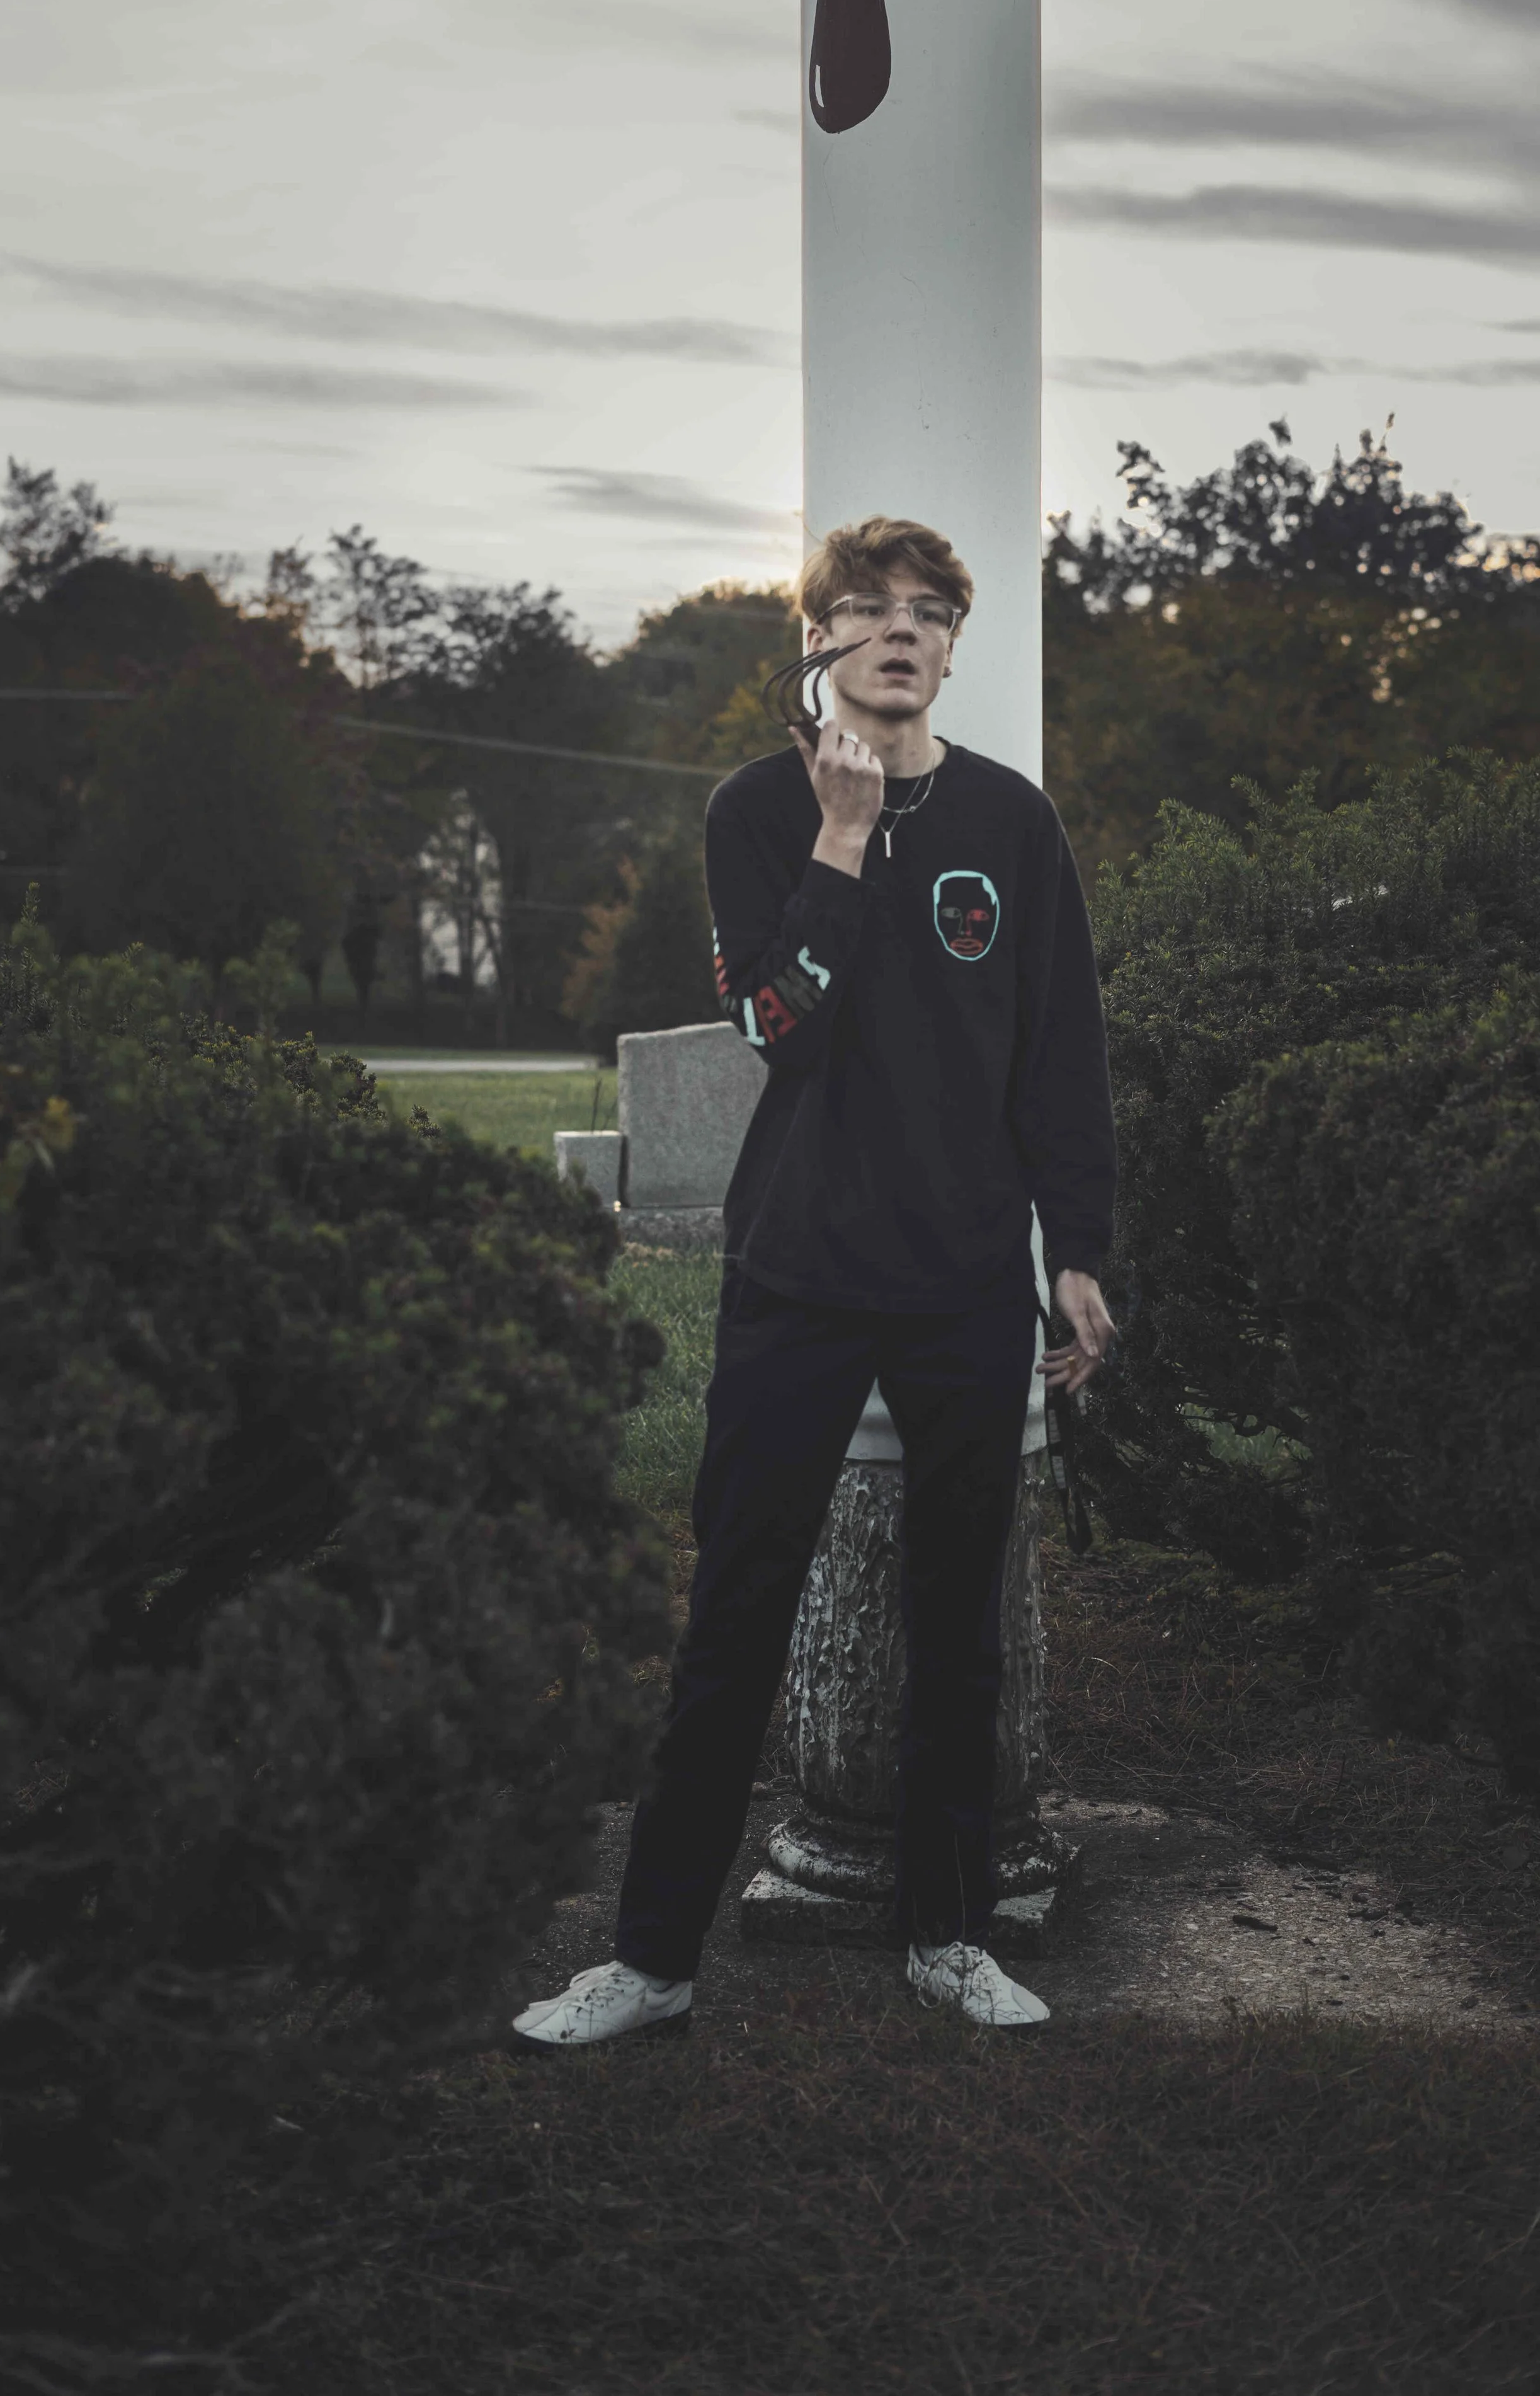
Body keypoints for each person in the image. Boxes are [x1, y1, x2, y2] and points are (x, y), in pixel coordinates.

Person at [511, 515, 1117, 2052]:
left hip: (967, 1277)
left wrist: (1082, 1255)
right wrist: (842, 839)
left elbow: (1060, 1062)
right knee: (733, 1610)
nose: (898, 631)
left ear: (950, 645)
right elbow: (776, 1021)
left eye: (926, 610)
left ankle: (944, 1932)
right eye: (865, 609)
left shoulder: (1012, 823)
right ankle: (649, 1959)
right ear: (818, 643)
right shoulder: (753, 812)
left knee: (956, 1622)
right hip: (796, 1274)